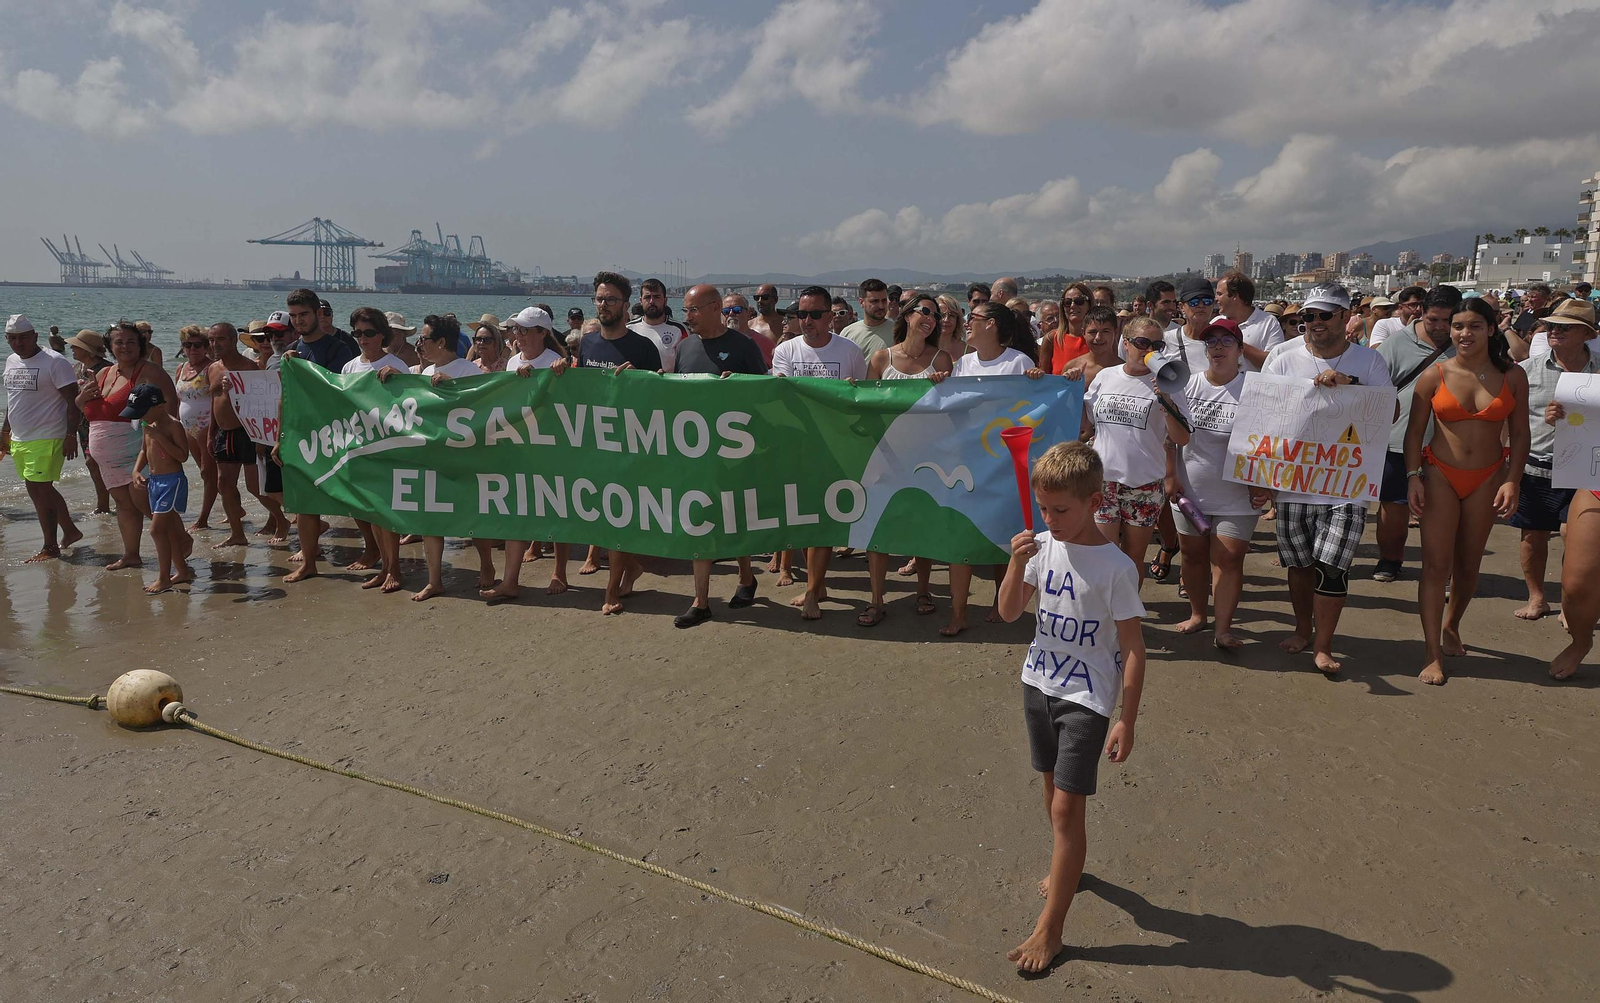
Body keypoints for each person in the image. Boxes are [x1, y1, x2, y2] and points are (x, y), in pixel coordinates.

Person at [994, 441, 1146, 975]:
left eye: (1062, 510)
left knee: (1065, 808)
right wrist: (1016, 566)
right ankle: (1069, 867)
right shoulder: (1040, 547)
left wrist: (1126, 716)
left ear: (1093, 500)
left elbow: (1133, 648)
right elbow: (1010, 613)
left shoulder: (1116, 567)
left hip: (1087, 698)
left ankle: (1050, 928)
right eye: (1044, 509)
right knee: (1050, 794)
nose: (1051, 520)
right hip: (1037, 685)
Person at [1261, 284, 1395, 675]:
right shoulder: (1282, 356)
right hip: (1292, 481)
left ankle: (1323, 645)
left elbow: (1390, 409)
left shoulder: (1368, 362)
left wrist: (1350, 384)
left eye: (1323, 315)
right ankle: (1303, 629)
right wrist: (1260, 477)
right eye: (1308, 316)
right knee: (1299, 565)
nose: (1313, 323)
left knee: (1332, 566)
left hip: (1346, 483)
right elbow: (1264, 414)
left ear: (1344, 316)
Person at [1404, 297, 1528, 685]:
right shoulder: (1434, 375)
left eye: (1474, 325)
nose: (1464, 333)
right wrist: (1412, 476)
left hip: (1489, 477)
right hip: (1439, 475)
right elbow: (1413, 432)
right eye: (1458, 326)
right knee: (1435, 567)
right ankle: (1432, 652)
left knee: (1469, 566)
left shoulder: (1512, 376)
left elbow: (1522, 433)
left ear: (1491, 329)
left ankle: (1452, 623)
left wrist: (1513, 479)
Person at [667, 285, 771, 627]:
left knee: (731, 517)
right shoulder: (684, 347)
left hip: (733, 452)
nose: (687, 317)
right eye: (685, 310)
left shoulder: (744, 346)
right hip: (693, 451)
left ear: (715, 308)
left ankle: (746, 575)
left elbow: (764, 395)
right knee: (700, 519)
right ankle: (701, 601)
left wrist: (738, 385)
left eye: (693, 310)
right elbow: (673, 394)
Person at [944, 304, 1045, 636]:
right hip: (968, 461)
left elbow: (1032, 407)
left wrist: (1037, 382)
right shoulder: (962, 364)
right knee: (960, 538)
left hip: (1004, 463)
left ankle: (1000, 604)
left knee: (1004, 536)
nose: (966, 324)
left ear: (991, 324)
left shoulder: (1019, 362)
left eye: (971, 318)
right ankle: (958, 612)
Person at [1170, 318, 1270, 647]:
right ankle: (1198, 613)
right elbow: (1169, 436)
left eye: (1227, 342)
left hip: (1238, 493)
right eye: (1211, 342)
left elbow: (1270, 442)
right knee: (1192, 556)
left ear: (1241, 350)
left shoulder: (1255, 389)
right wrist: (1170, 475)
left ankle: (1223, 628)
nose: (1218, 348)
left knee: (1227, 558)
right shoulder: (1186, 385)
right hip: (1190, 489)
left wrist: (1264, 482)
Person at [771, 285, 868, 620]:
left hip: (836, 448)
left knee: (824, 520)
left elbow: (859, 400)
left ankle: (813, 592)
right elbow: (786, 399)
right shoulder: (785, 351)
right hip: (798, 446)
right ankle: (818, 583)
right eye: (801, 314)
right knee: (803, 518)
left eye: (814, 314)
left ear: (830, 316)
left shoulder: (851, 351)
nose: (807, 321)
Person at [379, 319, 493, 601]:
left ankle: (487, 565)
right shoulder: (426, 370)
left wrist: (454, 387)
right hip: (431, 455)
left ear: (441, 342)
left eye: (425, 338)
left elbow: (484, 404)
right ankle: (434, 580)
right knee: (431, 518)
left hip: (465, 455)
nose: (420, 343)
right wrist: (398, 377)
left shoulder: (469, 369)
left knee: (473, 515)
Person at [858, 292, 954, 628]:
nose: (930, 318)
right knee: (878, 528)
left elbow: (951, 413)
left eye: (935, 315)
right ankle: (876, 598)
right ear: (908, 316)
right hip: (885, 456)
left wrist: (942, 386)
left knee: (922, 525)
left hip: (926, 458)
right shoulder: (881, 358)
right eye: (924, 311)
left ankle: (924, 591)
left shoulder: (941, 360)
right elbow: (866, 406)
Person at [573, 272, 662, 613]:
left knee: (617, 515)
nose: (603, 305)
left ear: (626, 306)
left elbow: (661, 393)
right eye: (599, 299)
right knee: (602, 515)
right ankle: (632, 567)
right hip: (595, 440)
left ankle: (611, 590)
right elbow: (580, 388)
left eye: (611, 300)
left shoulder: (643, 347)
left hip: (630, 444)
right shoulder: (589, 342)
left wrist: (637, 382)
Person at [1082, 316, 1191, 584]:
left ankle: (1126, 616)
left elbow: (1182, 437)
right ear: (1126, 344)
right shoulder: (1105, 377)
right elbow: (1086, 424)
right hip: (1104, 481)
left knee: (1133, 557)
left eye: (1157, 345)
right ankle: (1106, 616)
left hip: (1144, 484)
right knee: (1104, 555)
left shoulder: (1170, 383)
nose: (1149, 350)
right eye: (1143, 343)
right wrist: (1069, 385)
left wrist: (1166, 401)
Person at [481, 307, 575, 602]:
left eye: (523, 330)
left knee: (557, 508)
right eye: (515, 330)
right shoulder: (511, 363)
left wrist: (559, 373)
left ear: (543, 333)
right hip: (519, 446)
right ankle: (510, 580)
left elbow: (569, 405)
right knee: (515, 511)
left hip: (550, 448)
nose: (517, 336)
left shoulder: (556, 362)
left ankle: (559, 571)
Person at [1512, 300, 1598, 620]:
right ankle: (1537, 598)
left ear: (1587, 334)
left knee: (1574, 535)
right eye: (1551, 325)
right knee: (1532, 535)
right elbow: (1512, 418)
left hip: (1586, 469)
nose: (1554, 331)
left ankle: (1570, 602)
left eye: (1564, 326)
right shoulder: (1526, 371)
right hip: (1537, 466)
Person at [1372, 287, 1460, 582]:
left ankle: (1444, 571)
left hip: (1450, 447)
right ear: (1421, 312)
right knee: (1393, 510)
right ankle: (1389, 559)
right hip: (1397, 441)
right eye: (1433, 319)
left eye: (1448, 321)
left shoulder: (1467, 342)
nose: (1440, 327)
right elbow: (1375, 388)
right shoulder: (1396, 343)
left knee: (1444, 515)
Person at [78, 321, 178, 570]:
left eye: (131, 341)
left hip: (137, 454)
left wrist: (164, 448)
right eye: (118, 342)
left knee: (149, 505)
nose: (124, 346)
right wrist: (82, 397)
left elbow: (171, 411)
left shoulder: (150, 372)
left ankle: (180, 544)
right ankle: (131, 554)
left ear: (141, 344)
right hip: (109, 461)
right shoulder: (104, 373)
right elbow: (88, 410)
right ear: (110, 346)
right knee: (124, 505)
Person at [280, 289, 357, 582]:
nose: (299, 320)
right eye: (295, 315)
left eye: (304, 314)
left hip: (335, 433)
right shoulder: (290, 351)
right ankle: (309, 562)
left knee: (353, 499)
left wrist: (301, 367)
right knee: (304, 503)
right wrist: (279, 437)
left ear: (317, 314)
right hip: (300, 434)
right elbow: (284, 397)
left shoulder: (338, 349)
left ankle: (373, 550)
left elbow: (339, 392)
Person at [2, 314, 83, 562]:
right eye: (12, 338)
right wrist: (5, 431)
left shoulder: (55, 362)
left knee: (39, 489)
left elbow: (74, 402)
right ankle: (70, 531)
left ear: (35, 336)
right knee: (40, 488)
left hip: (48, 435)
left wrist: (71, 435)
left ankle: (50, 547)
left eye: (24, 337)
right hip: (20, 437)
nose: (18, 343)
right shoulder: (11, 360)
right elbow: (13, 400)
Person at [339, 307, 412, 585]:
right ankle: (384, 566)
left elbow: (412, 405)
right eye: (357, 333)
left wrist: (399, 379)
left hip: (388, 446)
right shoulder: (349, 367)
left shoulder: (397, 365)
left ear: (382, 334)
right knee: (370, 511)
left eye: (368, 332)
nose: (362, 338)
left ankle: (394, 568)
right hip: (359, 445)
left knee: (386, 510)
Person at [207, 321, 288, 547]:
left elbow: (264, 404)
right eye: (212, 340)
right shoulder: (213, 368)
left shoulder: (250, 368)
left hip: (248, 431)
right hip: (224, 433)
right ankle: (237, 534)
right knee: (224, 483)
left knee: (255, 486)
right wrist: (211, 434)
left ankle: (283, 519)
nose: (215, 344)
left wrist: (262, 439)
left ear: (233, 340)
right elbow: (213, 403)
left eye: (220, 339)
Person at [126, 384, 194, 594]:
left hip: (172, 483)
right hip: (155, 481)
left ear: (159, 406)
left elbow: (182, 455)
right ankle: (182, 571)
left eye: (142, 411)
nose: (140, 417)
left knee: (156, 530)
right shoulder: (148, 425)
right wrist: (136, 471)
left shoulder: (173, 426)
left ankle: (164, 578)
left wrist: (159, 436)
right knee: (170, 530)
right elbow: (143, 451)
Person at [171, 325, 218, 531]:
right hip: (187, 428)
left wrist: (214, 430)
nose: (192, 349)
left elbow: (219, 400)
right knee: (204, 473)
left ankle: (203, 519)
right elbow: (177, 400)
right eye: (187, 345)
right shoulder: (180, 369)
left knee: (209, 473)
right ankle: (235, 508)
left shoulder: (212, 368)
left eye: (198, 345)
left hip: (207, 426)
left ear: (207, 346)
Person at [64, 329, 113, 513]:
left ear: (89, 350)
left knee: (97, 462)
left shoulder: (106, 369)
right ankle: (103, 505)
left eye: (77, 345)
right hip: (82, 423)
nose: (72, 348)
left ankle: (105, 506)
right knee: (91, 462)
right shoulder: (77, 368)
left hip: (101, 422)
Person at [1213, 270, 1284, 370]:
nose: (1215, 299)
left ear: (1235, 296)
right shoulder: (1215, 323)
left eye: (1219, 294)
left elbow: (1274, 364)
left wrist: (1236, 342)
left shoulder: (1269, 323)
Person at [629, 278, 689, 371]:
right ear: (641, 301)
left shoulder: (680, 330)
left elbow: (686, 364)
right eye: (647, 297)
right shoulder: (629, 328)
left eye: (657, 297)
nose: (652, 301)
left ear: (665, 301)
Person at [1059, 306, 1121, 386]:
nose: (1098, 337)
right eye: (1093, 332)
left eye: (1105, 331)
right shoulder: (1072, 367)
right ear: (1083, 333)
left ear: (1115, 333)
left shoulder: (1124, 370)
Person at [1040, 283, 1091, 374]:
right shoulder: (1051, 338)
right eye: (1067, 302)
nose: (1072, 306)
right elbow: (1044, 378)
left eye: (1079, 301)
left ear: (1089, 304)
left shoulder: (1099, 339)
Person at [841, 278, 893, 357]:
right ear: (862, 302)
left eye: (884, 301)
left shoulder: (898, 331)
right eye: (874, 301)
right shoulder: (847, 334)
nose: (881, 306)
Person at [721, 293, 775, 366]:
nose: (731, 313)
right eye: (726, 311)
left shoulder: (767, 344)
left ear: (748, 313)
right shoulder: (714, 342)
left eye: (737, 310)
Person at [1508, 282, 1553, 359]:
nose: (1529, 300)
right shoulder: (1526, 313)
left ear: (1546, 298)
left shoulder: (1552, 316)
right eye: (1529, 297)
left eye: (1533, 297)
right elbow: (1516, 331)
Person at [935, 293, 966, 358]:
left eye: (951, 315)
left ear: (957, 320)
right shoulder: (922, 349)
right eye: (942, 315)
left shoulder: (968, 351)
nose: (946, 319)